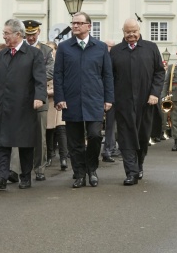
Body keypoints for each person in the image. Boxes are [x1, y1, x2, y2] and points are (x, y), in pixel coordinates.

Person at [53, 12, 114, 188]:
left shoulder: (100, 47)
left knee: (95, 135)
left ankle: (92, 169)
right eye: (73, 23)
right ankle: (79, 173)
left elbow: (107, 75)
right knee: (75, 141)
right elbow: (58, 75)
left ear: (89, 26)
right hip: (71, 100)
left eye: (79, 23)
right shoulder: (64, 47)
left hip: (94, 99)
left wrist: (108, 98)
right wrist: (60, 98)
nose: (75, 26)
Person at [0, 19, 47, 190]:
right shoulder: (2, 55)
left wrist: (39, 97)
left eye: (6, 33)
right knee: (2, 143)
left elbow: (40, 79)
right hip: (4, 106)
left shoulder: (33, 54)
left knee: (25, 143)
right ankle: (0, 177)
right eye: (4, 33)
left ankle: (25, 176)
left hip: (25, 106)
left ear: (18, 34)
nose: (4, 36)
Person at [109, 19, 165, 185]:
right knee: (125, 137)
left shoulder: (151, 48)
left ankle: (139, 163)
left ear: (139, 30)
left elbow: (159, 73)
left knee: (142, 136)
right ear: (123, 32)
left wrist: (155, 93)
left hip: (146, 102)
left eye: (134, 31)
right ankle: (131, 172)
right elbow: (109, 76)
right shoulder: (116, 51)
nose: (131, 35)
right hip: (123, 102)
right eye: (128, 32)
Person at [20, 20, 55, 181]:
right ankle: (18, 169)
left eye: (33, 34)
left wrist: (28, 77)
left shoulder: (46, 50)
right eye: (28, 34)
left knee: (40, 136)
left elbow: (50, 71)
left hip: (40, 97)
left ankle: (39, 168)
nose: (30, 38)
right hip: (21, 100)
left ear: (38, 33)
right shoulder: (20, 48)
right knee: (19, 134)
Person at [45, 42, 69, 171]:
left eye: (52, 49)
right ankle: (49, 155)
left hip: (59, 98)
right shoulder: (44, 63)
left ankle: (63, 158)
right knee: (48, 130)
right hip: (47, 100)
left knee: (61, 129)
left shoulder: (62, 61)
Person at [102, 40, 118, 162]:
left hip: (118, 95)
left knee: (117, 125)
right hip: (108, 96)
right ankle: (107, 150)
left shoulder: (116, 58)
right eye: (108, 46)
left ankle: (113, 148)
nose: (110, 48)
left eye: (112, 47)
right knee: (110, 125)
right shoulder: (102, 58)